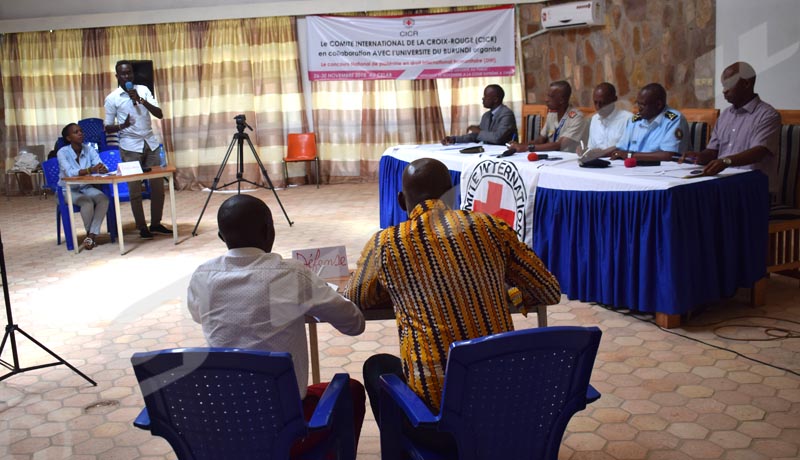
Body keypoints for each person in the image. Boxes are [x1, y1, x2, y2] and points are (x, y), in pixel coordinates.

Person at [344, 158, 561, 450]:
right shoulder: (491, 227)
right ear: (453, 195)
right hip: (505, 416)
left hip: (438, 425)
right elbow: (548, 290)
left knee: (378, 367)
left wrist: (398, 287)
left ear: (400, 200)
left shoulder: (388, 245)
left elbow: (355, 298)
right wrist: (505, 293)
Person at [187, 194, 366, 455]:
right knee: (351, 391)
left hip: (227, 426)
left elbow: (198, 315)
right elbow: (354, 324)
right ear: (268, 230)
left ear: (221, 237)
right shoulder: (291, 274)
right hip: (286, 426)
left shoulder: (202, 276)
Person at [680, 62, 780, 194]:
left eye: (729, 84)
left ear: (746, 84)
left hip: (753, 189)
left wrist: (726, 161)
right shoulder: (725, 115)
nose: (724, 91)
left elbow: (759, 152)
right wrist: (698, 156)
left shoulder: (768, 115)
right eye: (723, 85)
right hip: (724, 184)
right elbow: (712, 152)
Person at [103, 60, 168, 240]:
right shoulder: (112, 98)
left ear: (133, 74)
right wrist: (121, 126)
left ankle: (156, 223)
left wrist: (141, 100)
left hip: (150, 143)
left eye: (129, 73)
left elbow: (159, 114)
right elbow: (107, 127)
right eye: (123, 74)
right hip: (130, 147)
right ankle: (142, 227)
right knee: (135, 190)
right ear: (117, 76)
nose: (127, 77)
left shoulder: (144, 90)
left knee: (158, 188)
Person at [56, 123, 109, 251]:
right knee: (87, 202)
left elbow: (99, 164)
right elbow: (70, 172)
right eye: (76, 132)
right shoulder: (62, 152)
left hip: (85, 187)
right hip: (67, 190)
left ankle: (91, 235)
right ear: (68, 138)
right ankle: (90, 235)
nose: (80, 133)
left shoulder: (89, 149)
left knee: (103, 199)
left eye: (81, 131)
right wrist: (91, 169)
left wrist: (102, 168)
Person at [610, 83, 689, 161]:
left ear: (658, 104)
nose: (639, 108)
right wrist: (599, 154)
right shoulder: (635, 120)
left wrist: (631, 155)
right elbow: (621, 148)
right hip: (633, 167)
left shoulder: (674, 120)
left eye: (643, 105)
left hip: (662, 170)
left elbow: (668, 155)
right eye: (638, 103)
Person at [509, 80, 587, 153]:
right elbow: (540, 140)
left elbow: (559, 145)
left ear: (561, 100)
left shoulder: (577, 118)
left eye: (551, 96)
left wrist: (527, 148)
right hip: (551, 157)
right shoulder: (552, 114)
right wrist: (521, 145)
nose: (546, 99)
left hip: (568, 160)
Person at [441, 84, 517, 145]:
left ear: (495, 99)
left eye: (486, 96)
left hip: (503, 153)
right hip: (488, 152)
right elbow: (477, 136)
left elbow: (498, 138)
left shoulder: (507, 114)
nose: (483, 99)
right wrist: (454, 139)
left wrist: (478, 131)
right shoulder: (486, 115)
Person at [581, 82, 632, 158]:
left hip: (619, 164)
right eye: (595, 103)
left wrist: (602, 153)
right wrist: (584, 151)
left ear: (614, 100)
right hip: (598, 163)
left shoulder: (628, 119)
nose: (598, 107)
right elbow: (591, 146)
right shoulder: (595, 119)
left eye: (603, 103)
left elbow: (627, 147)